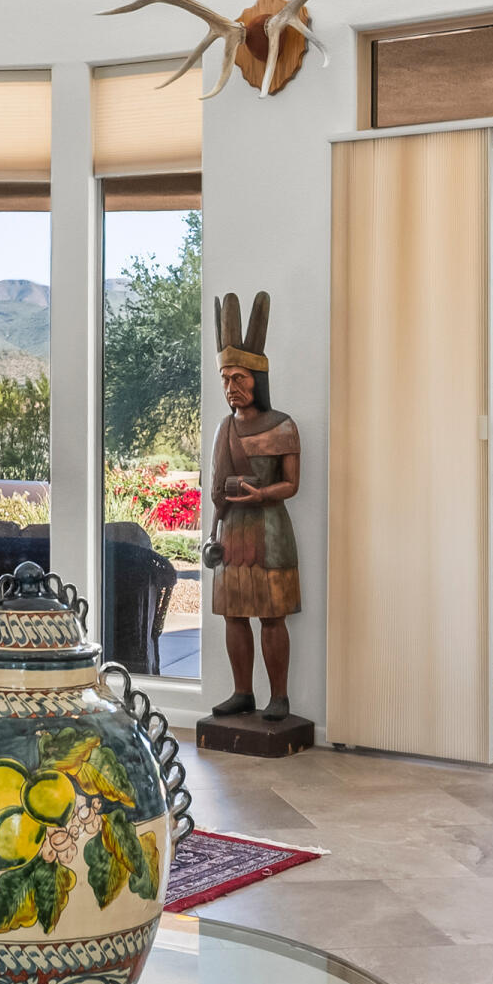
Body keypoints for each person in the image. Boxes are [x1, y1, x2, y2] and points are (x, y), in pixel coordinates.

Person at [204, 293, 301, 720]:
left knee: (272, 616)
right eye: (225, 379)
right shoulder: (224, 428)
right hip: (232, 532)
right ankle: (242, 691)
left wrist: (262, 495)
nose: (231, 388)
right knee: (233, 615)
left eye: (239, 378)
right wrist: (213, 528)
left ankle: (279, 697)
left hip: (269, 531)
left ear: (257, 380)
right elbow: (216, 489)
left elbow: (291, 484)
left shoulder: (283, 426)